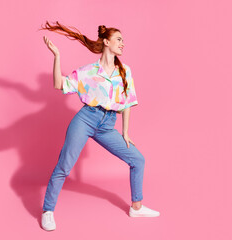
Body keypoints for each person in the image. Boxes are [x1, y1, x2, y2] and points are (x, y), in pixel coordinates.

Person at [39, 21, 160, 231]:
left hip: (107, 125)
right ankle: (48, 210)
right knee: (65, 165)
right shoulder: (88, 71)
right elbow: (60, 84)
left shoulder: (125, 71)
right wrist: (57, 57)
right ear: (106, 42)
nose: (123, 43)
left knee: (138, 159)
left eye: (123, 40)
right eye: (119, 39)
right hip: (86, 119)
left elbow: (128, 103)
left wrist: (125, 132)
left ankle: (136, 207)